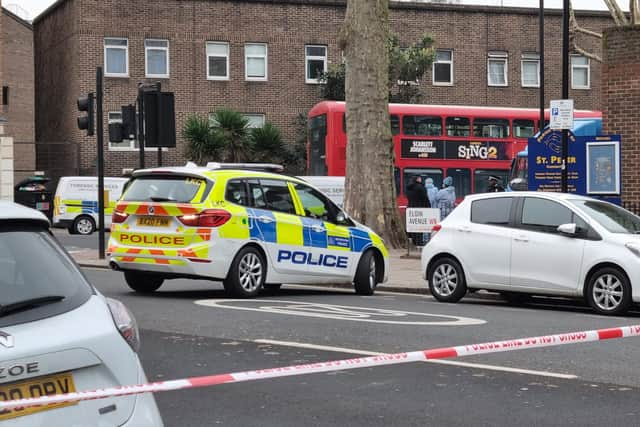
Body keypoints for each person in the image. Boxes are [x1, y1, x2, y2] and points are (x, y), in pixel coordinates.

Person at [405, 176, 430, 246]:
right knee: (419, 226)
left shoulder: (408, 188)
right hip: (420, 208)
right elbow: (425, 198)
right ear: (417, 179)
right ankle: (419, 242)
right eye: (420, 178)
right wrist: (428, 207)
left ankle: (413, 241)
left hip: (411, 208)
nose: (421, 179)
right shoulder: (421, 187)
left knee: (412, 225)